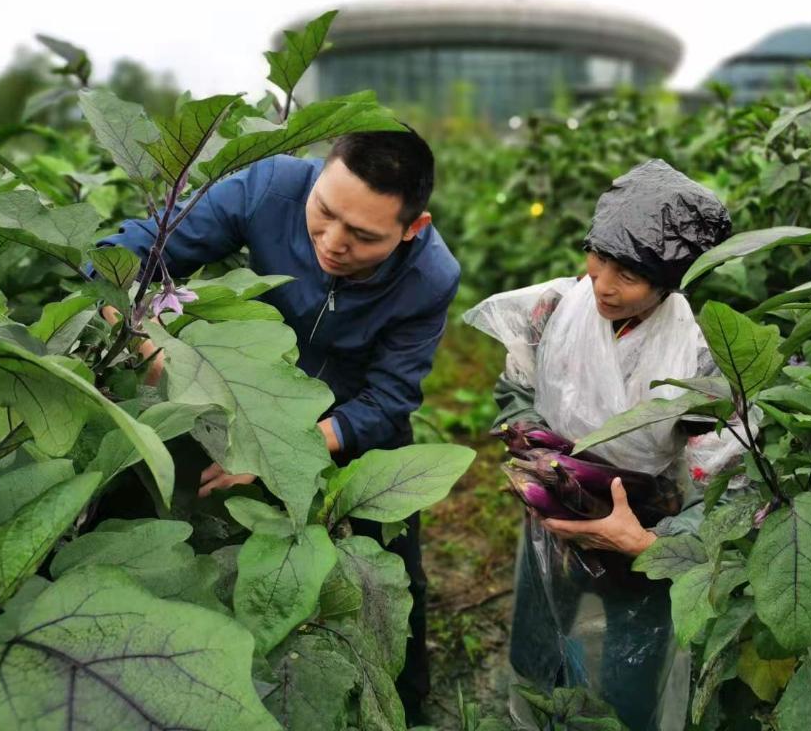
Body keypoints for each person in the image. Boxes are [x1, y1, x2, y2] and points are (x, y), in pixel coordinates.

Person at [96, 129, 459, 722]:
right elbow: (131, 253)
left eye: (364, 235)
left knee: (390, 584)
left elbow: (389, 398)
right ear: (318, 178)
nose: (333, 243)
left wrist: (281, 453)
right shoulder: (269, 187)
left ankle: (406, 704)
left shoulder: (431, 275)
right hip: (241, 393)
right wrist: (143, 340)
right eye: (324, 213)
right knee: (171, 522)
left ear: (410, 229)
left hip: (347, 424)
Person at [464, 159, 755, 731]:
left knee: (631, 669)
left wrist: (652, 542)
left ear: (669, 281)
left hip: (641, 526)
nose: (602, 284)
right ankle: (535, 718)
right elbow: (517, 387)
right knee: (538, 642)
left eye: (628, 274)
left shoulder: (698, 362)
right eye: (599, 259)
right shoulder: (553, 311)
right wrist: (534, 449)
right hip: (554, 515)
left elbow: (727, 479)